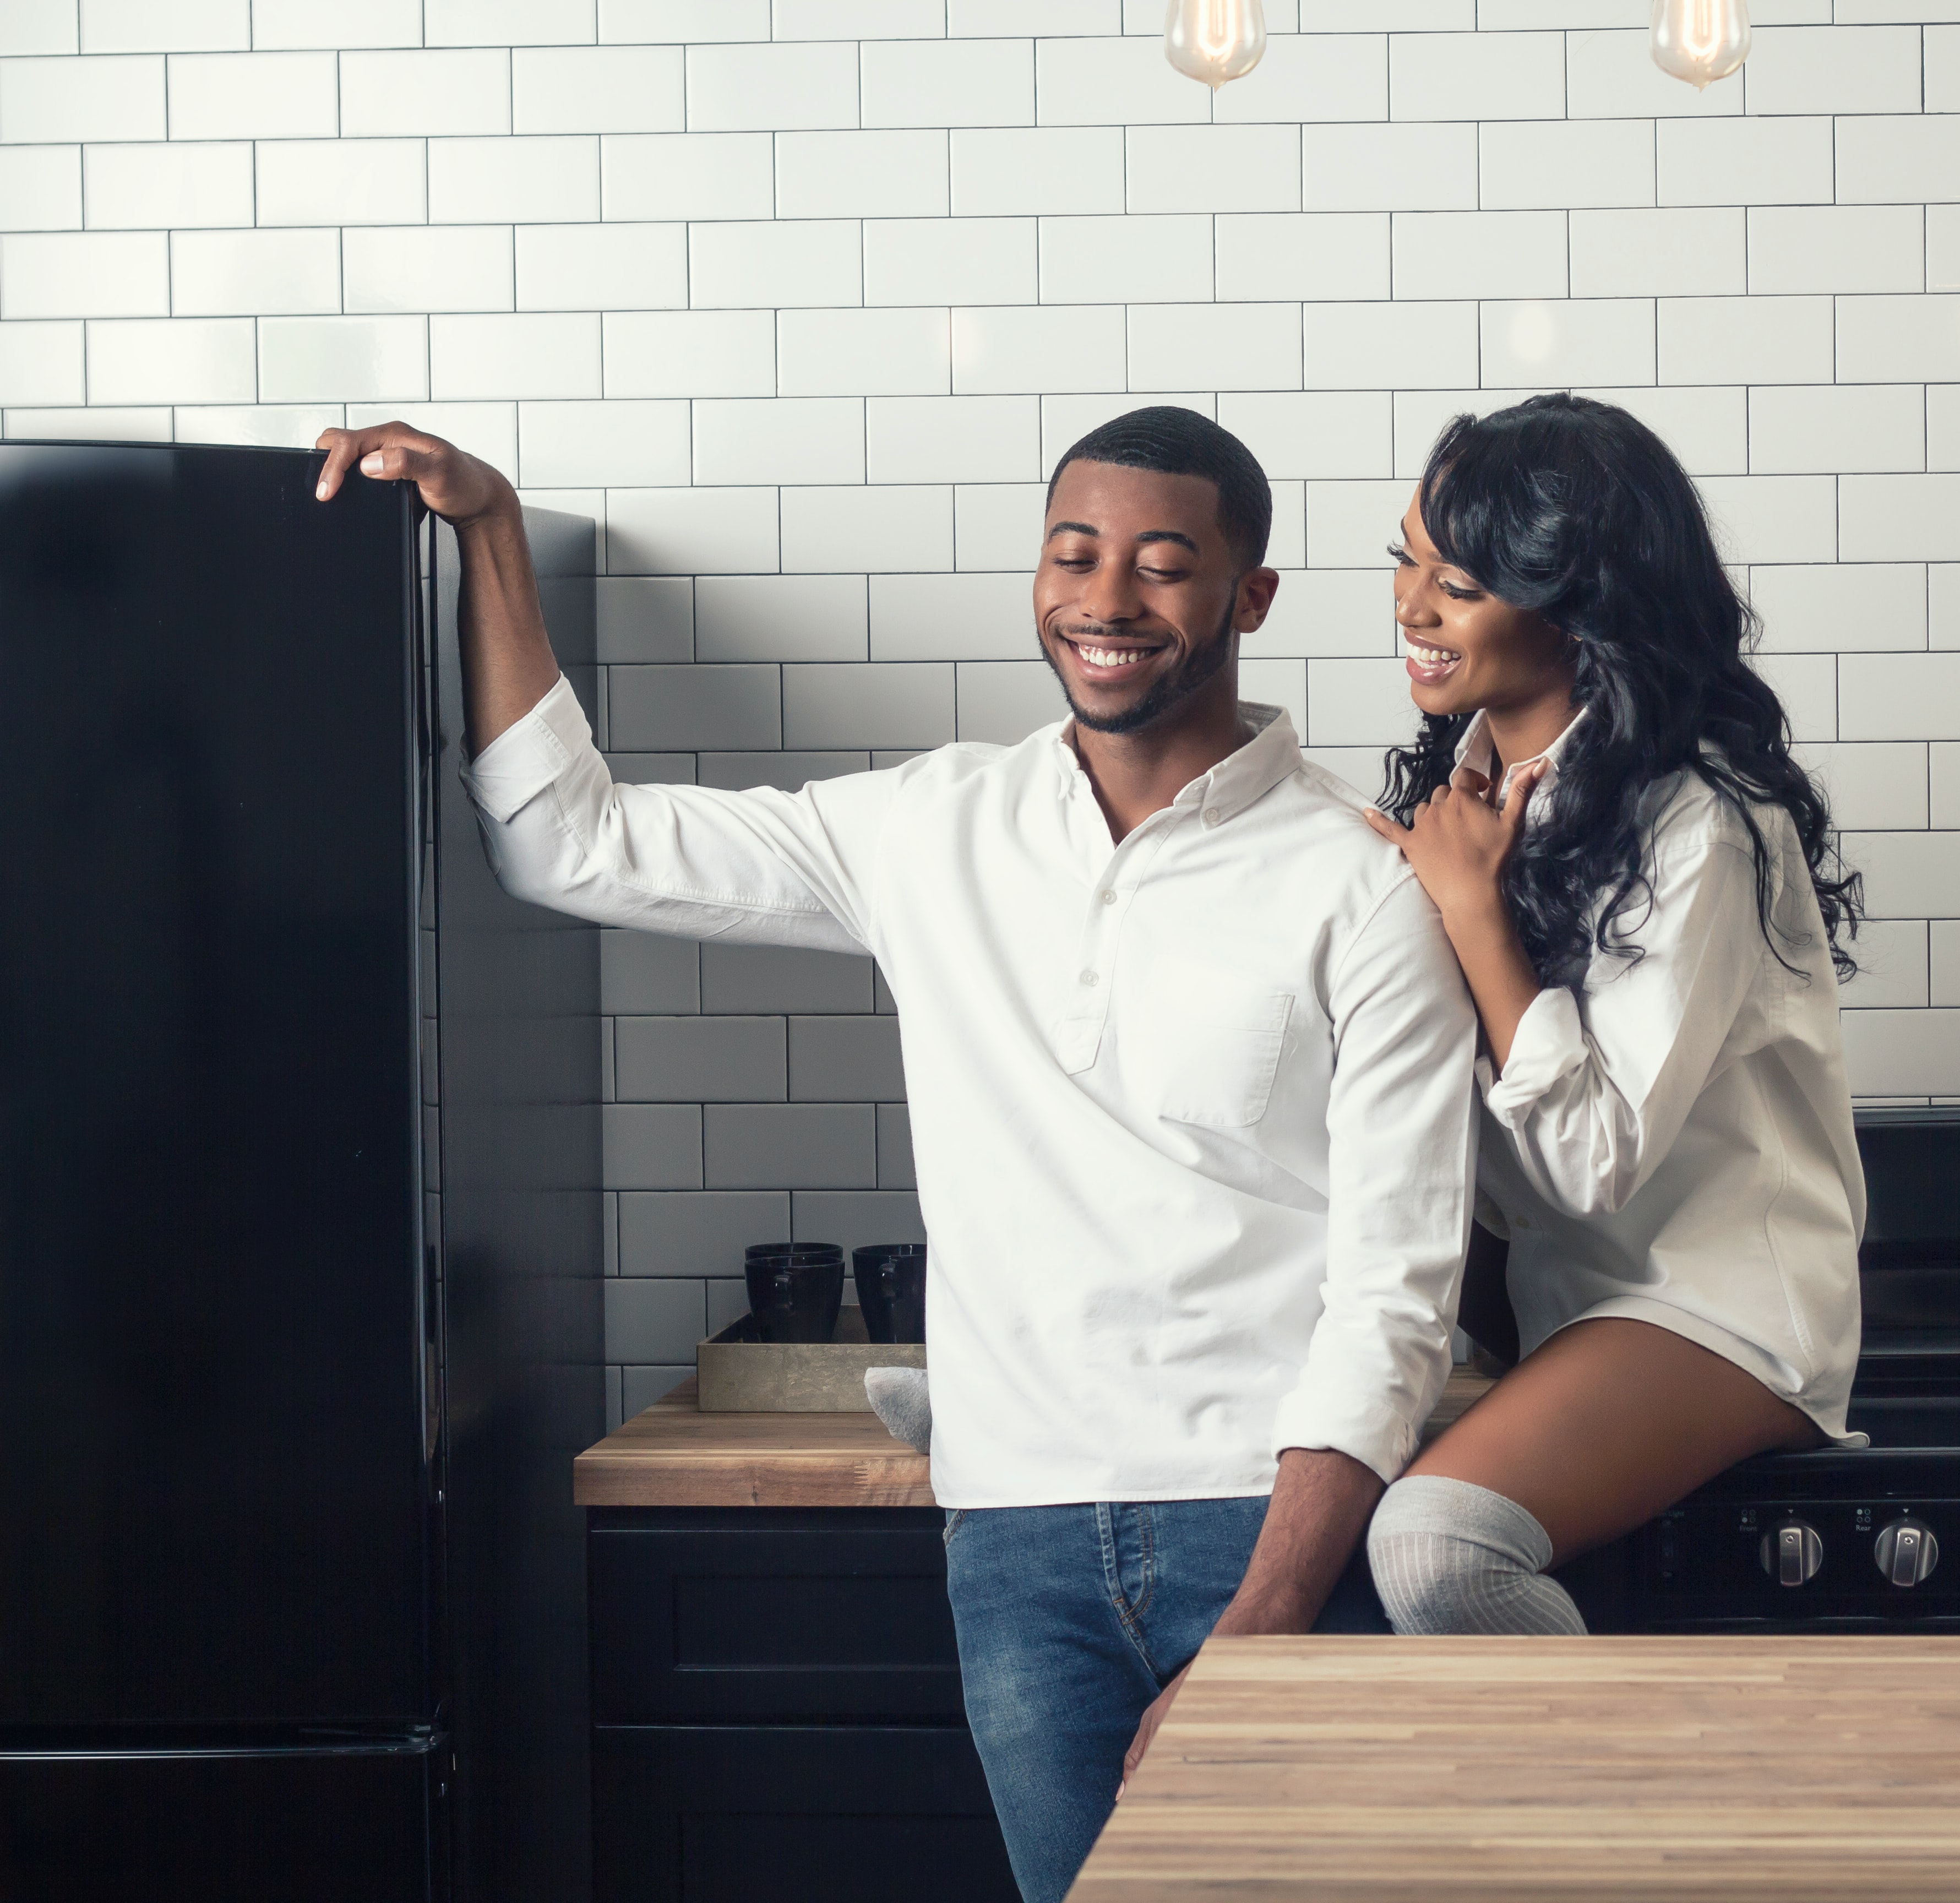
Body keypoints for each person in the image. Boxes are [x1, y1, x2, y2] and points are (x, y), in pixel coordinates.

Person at [312, 407, 1478, 1902]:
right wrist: (490, 533)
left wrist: (1268, 1617)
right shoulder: (935, 826)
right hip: (1014, 1542)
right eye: (1075, 554)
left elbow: (1395, 1296)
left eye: (1165, 565)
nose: (1108, 600)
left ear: (1247, 598)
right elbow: (569, 845)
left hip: (1269, 1525)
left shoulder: (1360, 885)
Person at [1357, 393, 1866, 1636]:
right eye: (1407, 561)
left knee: (1434, 1548)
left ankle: (1615, 1830)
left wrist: (1470, 912)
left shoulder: (1707, 819)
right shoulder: (1464, 789)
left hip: (1712, 1303)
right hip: (1552, 1301)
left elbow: (1591, 1162)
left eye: (1460, 581)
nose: (1413, 609)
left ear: (1579, 601)